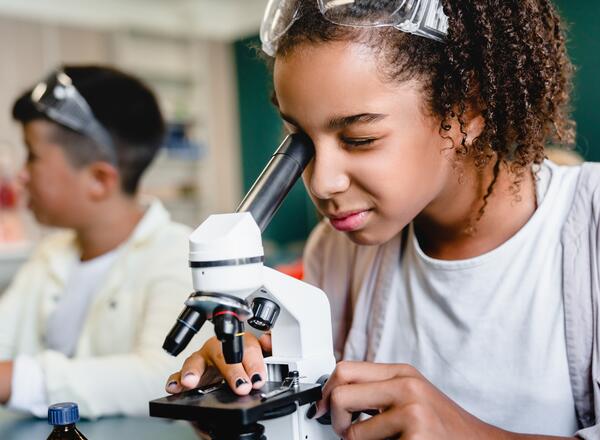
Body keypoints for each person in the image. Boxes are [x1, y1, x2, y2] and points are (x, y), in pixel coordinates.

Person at [166, 0, 600, 439]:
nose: (321, 183)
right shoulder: (336, 251)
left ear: (466, 110)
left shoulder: (592, 222)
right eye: (300, 141)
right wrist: (250, 407)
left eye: (359, 138)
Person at [0, 65, 196, 418]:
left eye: (32, 155)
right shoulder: (50, 255)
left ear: (99, 179)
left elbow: (163, 378)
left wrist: (15, 379)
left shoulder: (178, 256)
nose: (21, 175)